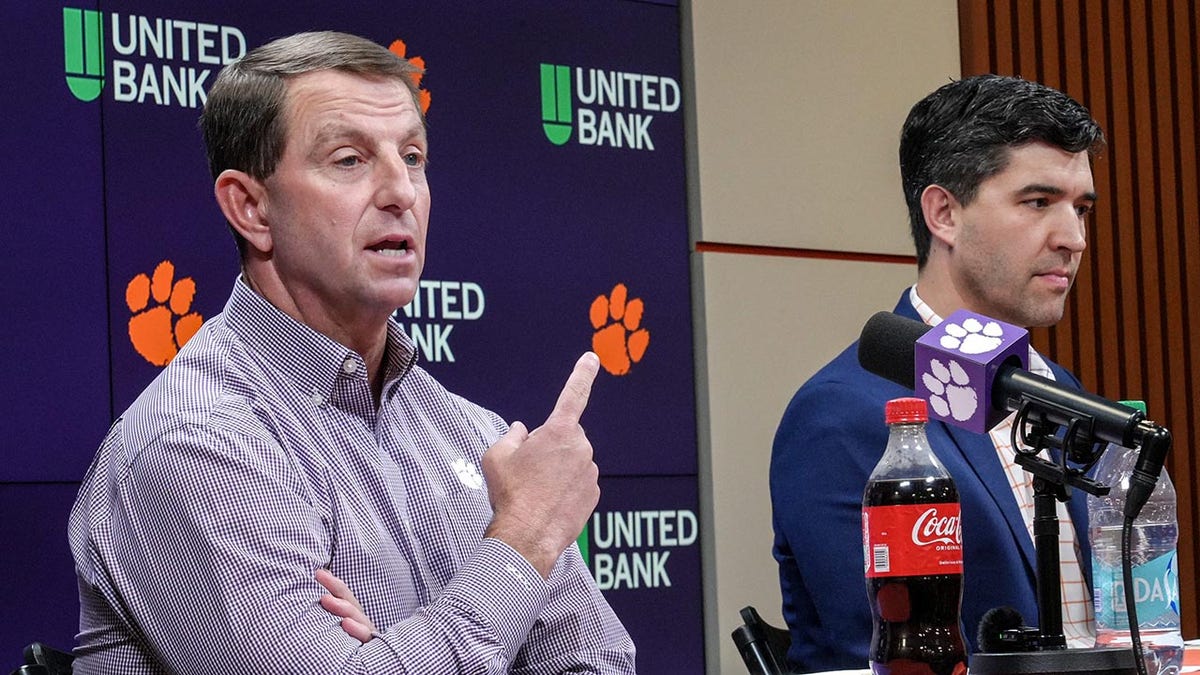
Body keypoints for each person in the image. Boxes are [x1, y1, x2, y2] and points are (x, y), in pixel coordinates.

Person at [69, 31, 636, 674]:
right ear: (251, 208)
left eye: (414, 157)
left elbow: (598, 661)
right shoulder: (192, 441)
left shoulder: (471, 432)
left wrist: (396, 649)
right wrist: (523, 541)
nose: (402, 191)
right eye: (349, 159)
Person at [770, 74, 1106, 672]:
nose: (1073, 238)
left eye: (1080, 208)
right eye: (1038, 202)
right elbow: (880, 658)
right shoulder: (844, 414)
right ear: (944, 213)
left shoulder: (1060, 390)